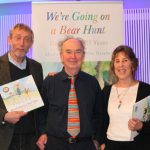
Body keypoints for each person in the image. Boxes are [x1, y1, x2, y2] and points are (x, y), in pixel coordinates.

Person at [36, 37, 104, 150]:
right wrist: (42, 133)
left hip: (85, 145)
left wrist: (97, 140)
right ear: (61, 56)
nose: (73, 57)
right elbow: (41, 112)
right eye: (68, 52)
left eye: (78, 52)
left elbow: (99, 114)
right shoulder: (50, 82)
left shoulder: (92, 83)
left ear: (83, 55)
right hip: (55, 145)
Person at [0, 23, 43, 150]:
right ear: (9, 40)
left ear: (31, 44)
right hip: (5, 139)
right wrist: (4, 116)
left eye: (27, 39)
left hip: (32, 139)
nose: (22, 43)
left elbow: (41, 99)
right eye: (18, 38)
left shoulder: (36, 67)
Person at [101, 45, 150, 150]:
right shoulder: (106, 91)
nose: (120, 65)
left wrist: (141, 126)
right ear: (113, 66)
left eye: (125, 60)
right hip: (111, 145)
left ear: (132, 64)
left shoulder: (146, 90)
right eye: (117, 61)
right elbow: (101, 120)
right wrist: (102, 142)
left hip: (138, 146)